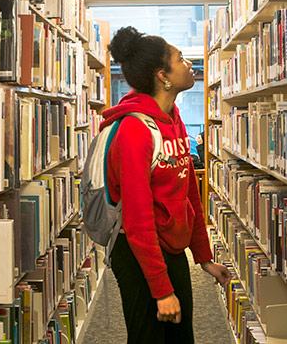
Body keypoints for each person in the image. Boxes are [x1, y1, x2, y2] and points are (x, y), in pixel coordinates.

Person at [100, 26, 232, 344]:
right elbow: (137, 218)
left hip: (170, 244)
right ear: (163, 76)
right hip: (135, 249)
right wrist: (161, 290)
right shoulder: (134, 131)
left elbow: (188, 194)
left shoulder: (173, 119)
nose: (191, 65)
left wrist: (203, 256)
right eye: (180, 58)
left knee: (181, 336)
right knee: (148, 337)